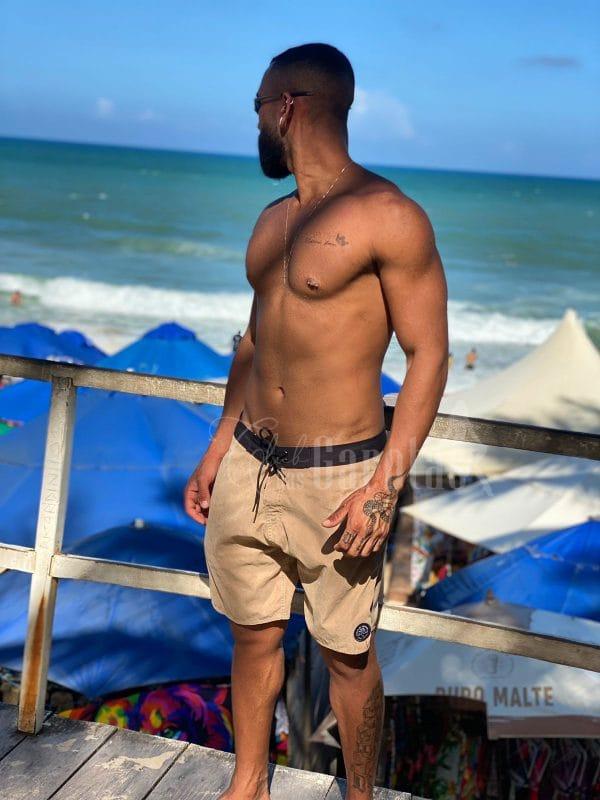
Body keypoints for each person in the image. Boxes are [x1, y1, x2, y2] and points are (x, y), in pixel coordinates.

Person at [184, 42, 448, 800]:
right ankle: (249, 783)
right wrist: (218, 447)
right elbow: (256, 339)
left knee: (348, 659)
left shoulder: (389, 216)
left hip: (340, 474)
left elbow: (429, 353)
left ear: (288, 108)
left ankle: (359, 795)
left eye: (258, 108)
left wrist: (384, 486)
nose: (256, 124)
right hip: (248, 462)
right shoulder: (271, 221)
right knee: (252, 636)